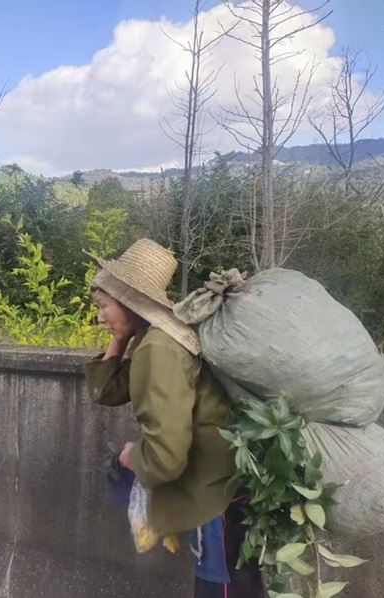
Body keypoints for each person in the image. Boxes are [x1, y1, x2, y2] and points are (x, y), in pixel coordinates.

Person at [84, 239, 264, 598]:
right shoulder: (153, 338)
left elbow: (166, 456)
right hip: (225, 486)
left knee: (224, 591)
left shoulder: (158, 348)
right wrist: (119, 336)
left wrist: (132, 456)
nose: (99, 316)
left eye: (104, 306)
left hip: (217, 495)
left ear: (129, 301)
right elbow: (107, 392)